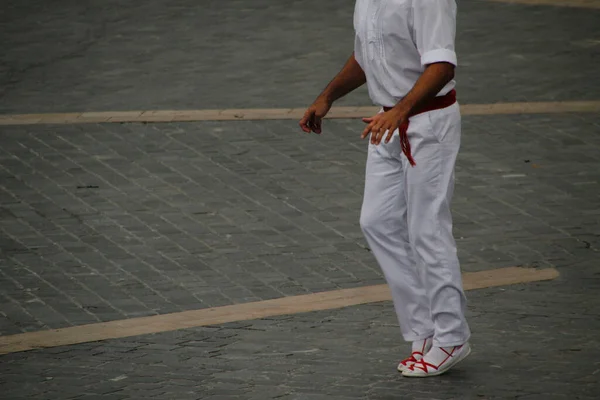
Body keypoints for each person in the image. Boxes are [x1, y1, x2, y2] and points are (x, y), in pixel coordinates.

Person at [299, 0, 471, 377]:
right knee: (376, 222)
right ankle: (424, 329)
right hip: (387, 121)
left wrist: (401, 110)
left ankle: (452, 335)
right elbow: (367, 56)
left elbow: (442, 65)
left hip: (427, 126)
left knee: (428, 230)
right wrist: (327, 96)